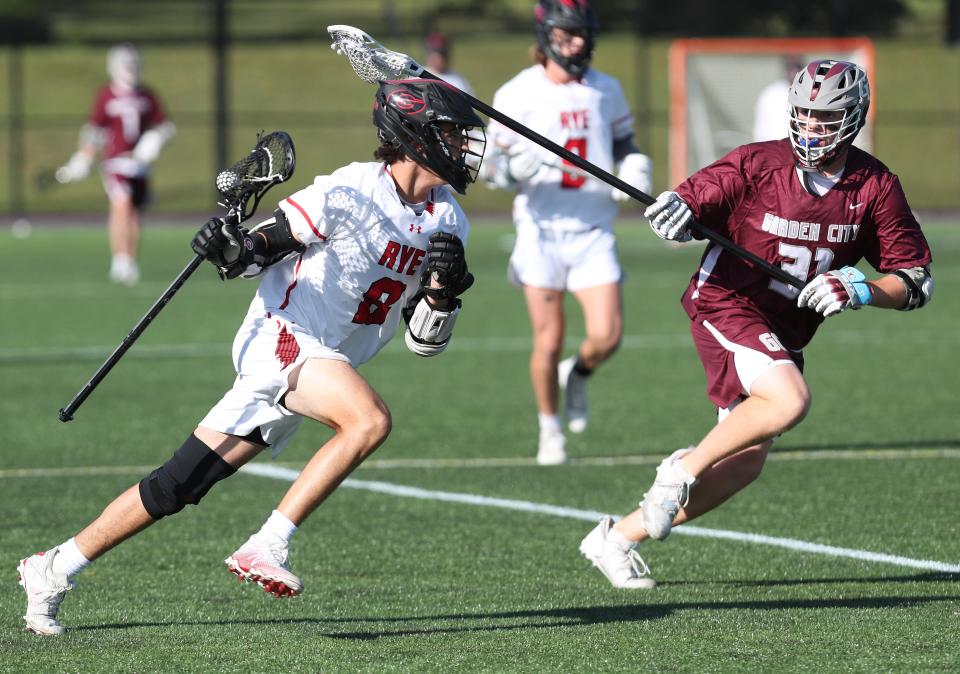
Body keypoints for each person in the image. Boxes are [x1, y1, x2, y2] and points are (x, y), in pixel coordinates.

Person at [17, 78, 486, 635]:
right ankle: (268, 543)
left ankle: (52, 566)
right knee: (369, 420)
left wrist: (440, 295)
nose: (462, 148)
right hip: (283, 336)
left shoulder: (450, 220)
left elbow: (424, 343)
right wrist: (230, 247)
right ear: (415, 136)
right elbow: (259, 250)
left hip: (328, 362)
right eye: (452, 135)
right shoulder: (347, 192)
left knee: (177, 485)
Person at [578, 59, 934, 589]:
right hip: (725, 301)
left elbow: (916, 282)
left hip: (784, 328)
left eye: (826, 117)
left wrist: (860, 289)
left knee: (744, 464)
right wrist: (674, 211)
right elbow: (692, 197)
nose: (812, 128)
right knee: (790, 401)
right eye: (805, 116)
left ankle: (616, 538)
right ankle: (676, 472)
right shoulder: (758, 163)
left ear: (854, 116)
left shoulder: (875, 186)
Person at [483, 0, 653, 465]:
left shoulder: (607, 90)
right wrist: (506, 171)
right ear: (546, 36)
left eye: (583, 32)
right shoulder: (516, 93)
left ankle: (576, 373)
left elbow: (625, 145)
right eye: (568, 32)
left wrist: (635, 166)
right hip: (541, 229)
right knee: (549, 337)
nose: (577, 41)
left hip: (594, 227)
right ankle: (549, 430)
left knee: (608, 335)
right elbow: (490, 166)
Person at [55, 43, 175, 286]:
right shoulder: (106, 95)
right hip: (116, 163)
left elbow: (165, 126)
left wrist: (153, 142)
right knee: (121, 206)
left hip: (139, 165)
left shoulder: (146, 95)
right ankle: (119, 260)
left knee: (133, 214)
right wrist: (83, 157)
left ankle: (129, 259)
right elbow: (94, 130)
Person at [752, 55, 805, 142]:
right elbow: (761, 127)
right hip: (772, 148)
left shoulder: (810, 92)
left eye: (797, 67)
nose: (795, 72)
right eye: (791, 68)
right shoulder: (770, 94)